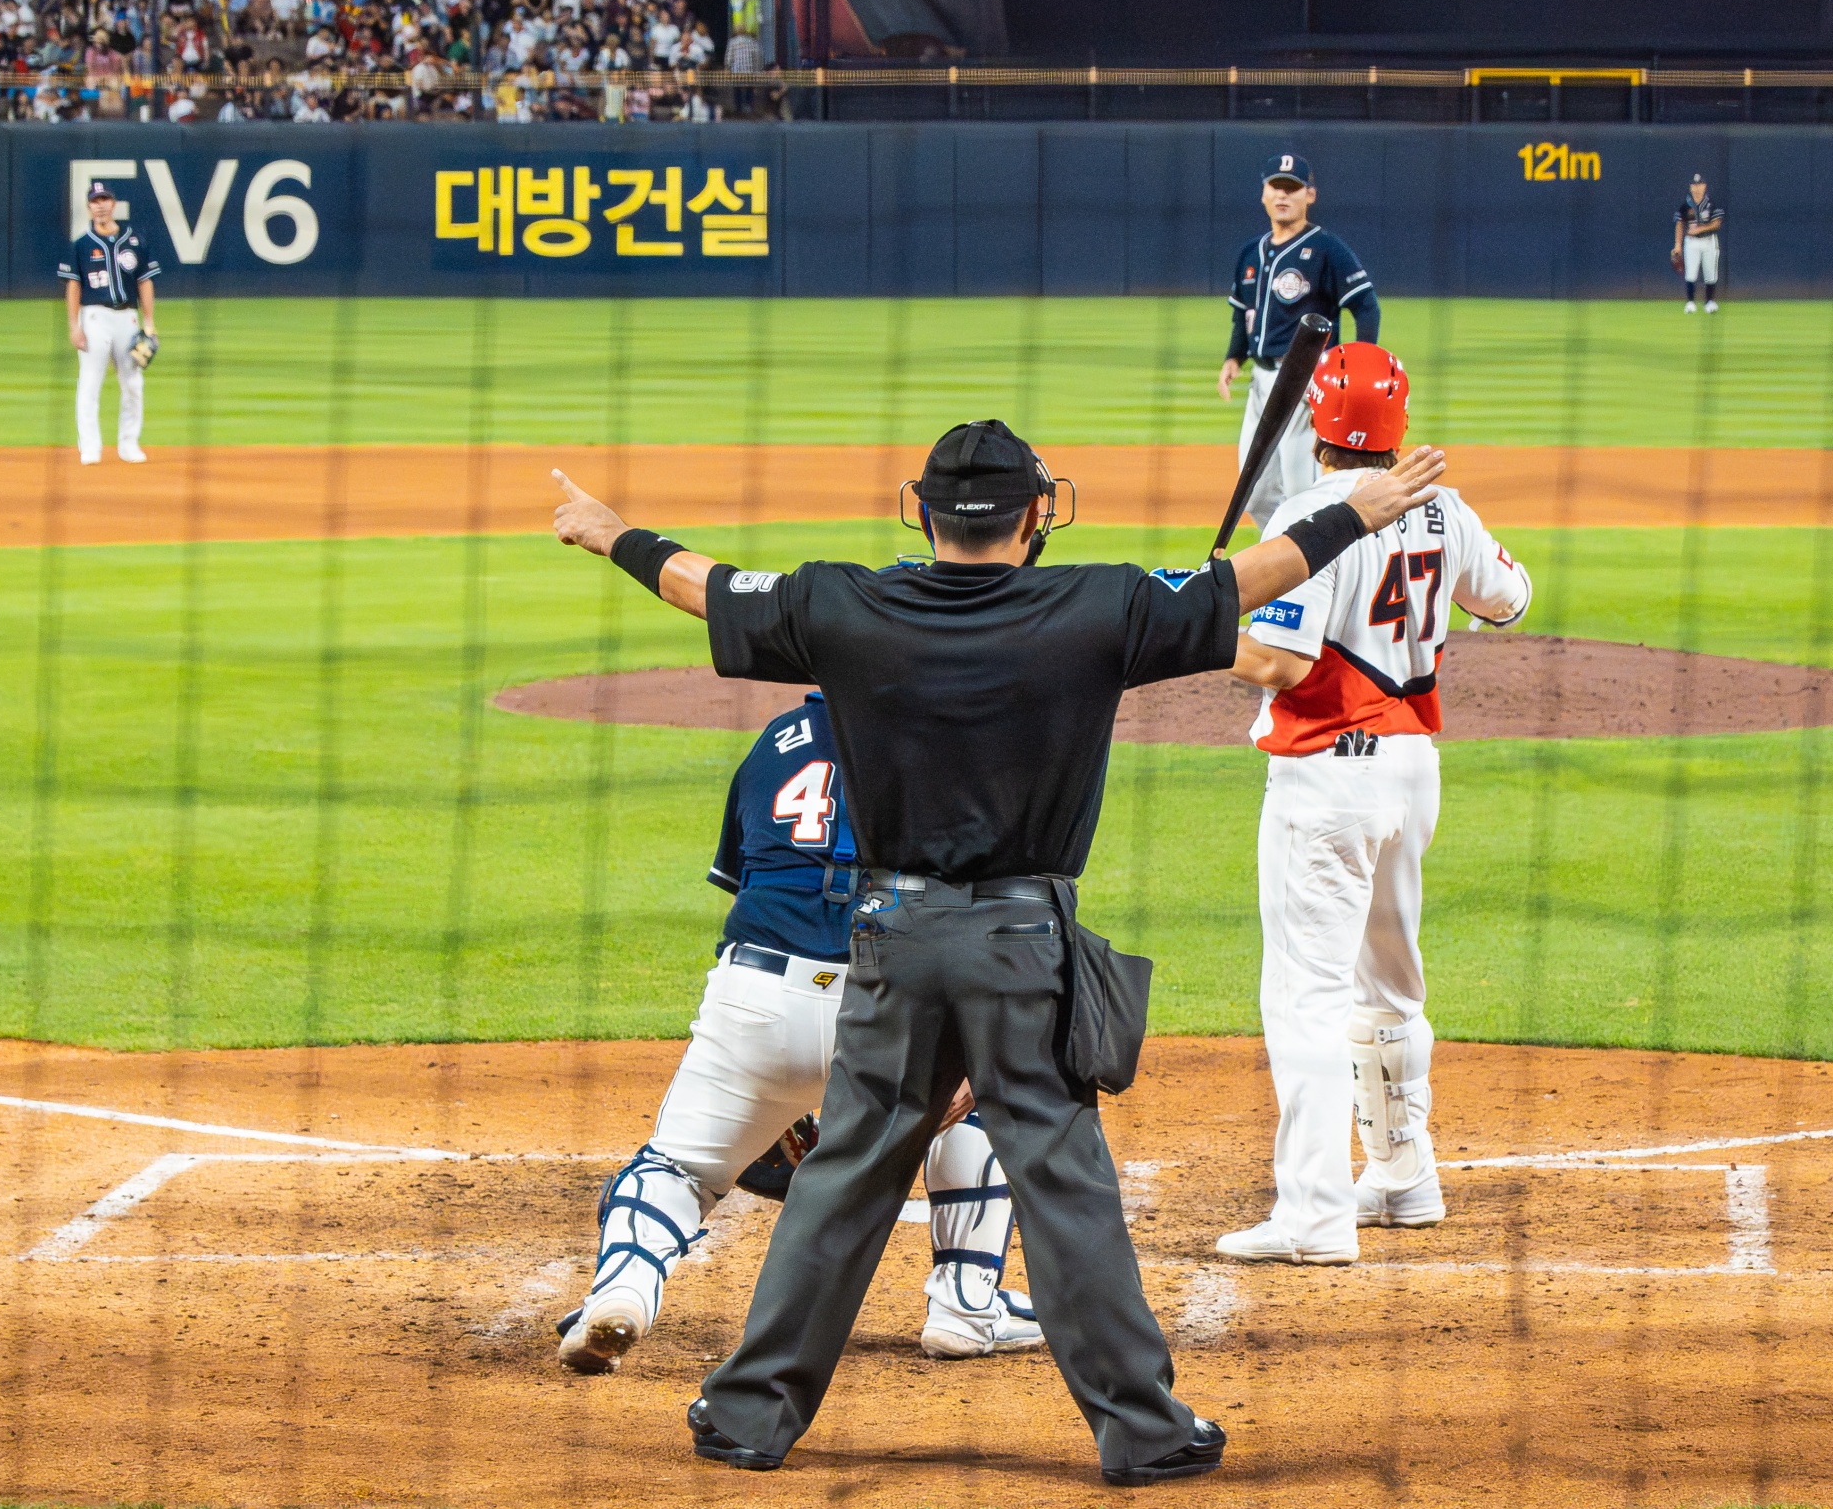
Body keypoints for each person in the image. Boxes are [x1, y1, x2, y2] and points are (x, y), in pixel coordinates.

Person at [548, 417, 1446, 1486]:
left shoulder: (846, 606)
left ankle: (747, 1415)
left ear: (922, 513)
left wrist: (610, 533)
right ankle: (1143, 1430)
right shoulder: (1100, 607)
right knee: (1063, 1182)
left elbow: (707, 585)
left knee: (845, 1174)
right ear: (1035, 517)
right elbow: (1253, 577)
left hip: (890, 942)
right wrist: (1356, 512)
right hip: (1022, 948)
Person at [556, 692, 1044, 1376]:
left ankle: (625, 1290)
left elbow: (755, 883)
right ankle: (965, 1305)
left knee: (679, 1167)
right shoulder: (961, 740)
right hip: (891, 1005)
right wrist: (971, 1049)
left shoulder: (777, 740)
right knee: (992, 1095)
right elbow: (983, 912)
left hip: (757, 998)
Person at [1217, 344, 1530, 1265]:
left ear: (1316, 420)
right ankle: (1402, 1174)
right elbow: (1509, 601)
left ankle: (1313, 1215)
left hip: (1327, 778)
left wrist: (1197, 625)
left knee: (1305, 999)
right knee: (1389, 983)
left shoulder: (1310, 516)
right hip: (1409, 774)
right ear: (1399, 423)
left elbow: (1279, 665)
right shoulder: (1442, 504)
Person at [1218, 152, 1381, 530]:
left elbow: (1366, 306)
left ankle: (1317, 557)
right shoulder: (1250, 252)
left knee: (1300, 490)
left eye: (1292, 188)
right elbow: (1243, 314)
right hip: (1261, 382)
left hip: (1307, 381)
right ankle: (1283, 554)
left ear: (1310, 195)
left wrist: (1358, 364)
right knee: (1254, 493)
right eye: (1276, 187)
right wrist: (1233, 357)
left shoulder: (1327, 249)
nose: (1283, 195)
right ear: (1263, 193)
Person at [58, 180, 160, 465]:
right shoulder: (80, 245)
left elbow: (145, 282)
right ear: (88, 207)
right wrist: (74, 326)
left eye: (104, 199)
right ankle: (90, 447)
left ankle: (129, 444)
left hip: (128, 317)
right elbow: (73, 287)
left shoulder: (134, 240)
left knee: (133, 382)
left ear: (113, 204)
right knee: (90, 382)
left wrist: (149, 323)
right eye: (95, 201)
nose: (100, 205)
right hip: (94, 317)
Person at [1674, 172, 1723, 313]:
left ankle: (1710, 302)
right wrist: (1677, 245)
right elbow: (1679, 224)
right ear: (1691, 187)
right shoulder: (1686, 205)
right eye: (1694, 185)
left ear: (1704, 186)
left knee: (1710, 273)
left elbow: (1716, 224)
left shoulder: (1711, 204)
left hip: (1709, 240)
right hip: (1691, 242)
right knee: (1691, 273)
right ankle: (1690, 302)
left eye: (1700, 184)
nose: (1697, 188)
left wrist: (1699, 229)